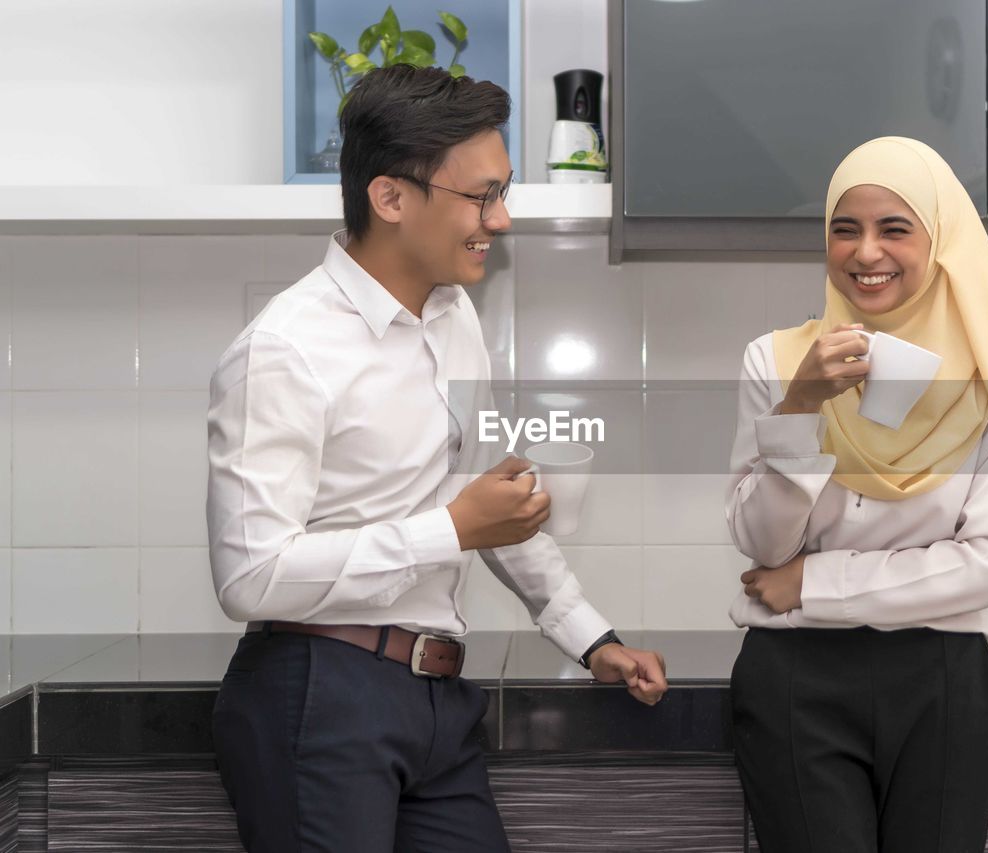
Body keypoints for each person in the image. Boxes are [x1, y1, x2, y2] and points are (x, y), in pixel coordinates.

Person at [207, 65, 667, 853]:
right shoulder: (284, 349)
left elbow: (496, 504)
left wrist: (591, 636)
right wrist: (450, 528)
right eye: (482, 196)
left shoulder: (454, 319)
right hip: (319, 693)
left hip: (435, 701)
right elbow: (249, 574)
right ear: (391, 197)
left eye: (505, 191)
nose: (504, 218)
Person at [725, 136, 988, 852]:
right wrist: (801, 407)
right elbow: (762, 542)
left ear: (940, 242)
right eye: (844, 229)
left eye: (894, 229)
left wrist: (813, 581)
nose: (864, 252)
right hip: (796, 680)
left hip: (944, 679)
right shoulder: (777, 361)